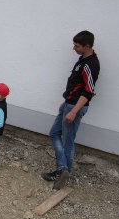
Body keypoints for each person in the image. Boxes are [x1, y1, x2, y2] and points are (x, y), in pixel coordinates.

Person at [42, 30, 100, 190]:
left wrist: (74, 110)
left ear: (87, 45)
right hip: (69, 104)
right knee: (54, 133)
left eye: (77, 46)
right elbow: (76, 84)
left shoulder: (91, 65)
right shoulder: (82, 60)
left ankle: (62, 172)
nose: (74, 48)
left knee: (68, 142)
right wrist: (66, 101)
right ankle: (62, 169)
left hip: (74, 107)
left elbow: (88, 91)